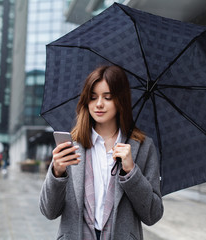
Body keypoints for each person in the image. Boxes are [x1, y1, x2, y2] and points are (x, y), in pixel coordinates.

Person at [39, 65, 164, 240]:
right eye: (92, 97)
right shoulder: (71, 145)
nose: (99, 104)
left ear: (120, 100)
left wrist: (131, 171)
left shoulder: (143, 147)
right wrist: (57, 173)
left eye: (108, 97)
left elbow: (153, 214)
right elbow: (49, 211)